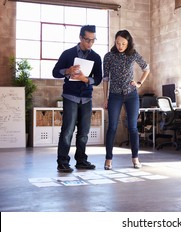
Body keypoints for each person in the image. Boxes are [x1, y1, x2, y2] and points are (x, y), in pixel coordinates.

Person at [52, 25, 103, 173]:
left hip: (86, 98)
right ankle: (62, 162)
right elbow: (55, 72)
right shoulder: (67, 54)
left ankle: (81, 160)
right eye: (87, 40)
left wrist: (85, 79)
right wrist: (68, 71)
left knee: (84, 132)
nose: (90, 43)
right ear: (80, 38)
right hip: (70, 97)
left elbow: (98, 79)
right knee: (67, 130)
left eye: (93, 40)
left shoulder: (96, 57)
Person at [103, 30, 150, 170]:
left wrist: (139, 83)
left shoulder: (133, 54)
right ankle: (108, 160)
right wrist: (105, 98)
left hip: (131, 95)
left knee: (133, 127)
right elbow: (105, 79)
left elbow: (146, 68)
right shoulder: (109, 56)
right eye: (118, 43)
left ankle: (135, 159)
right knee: (112, 126)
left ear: (128, 43)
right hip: (114, 95)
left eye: (123, 43)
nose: (120, 46)